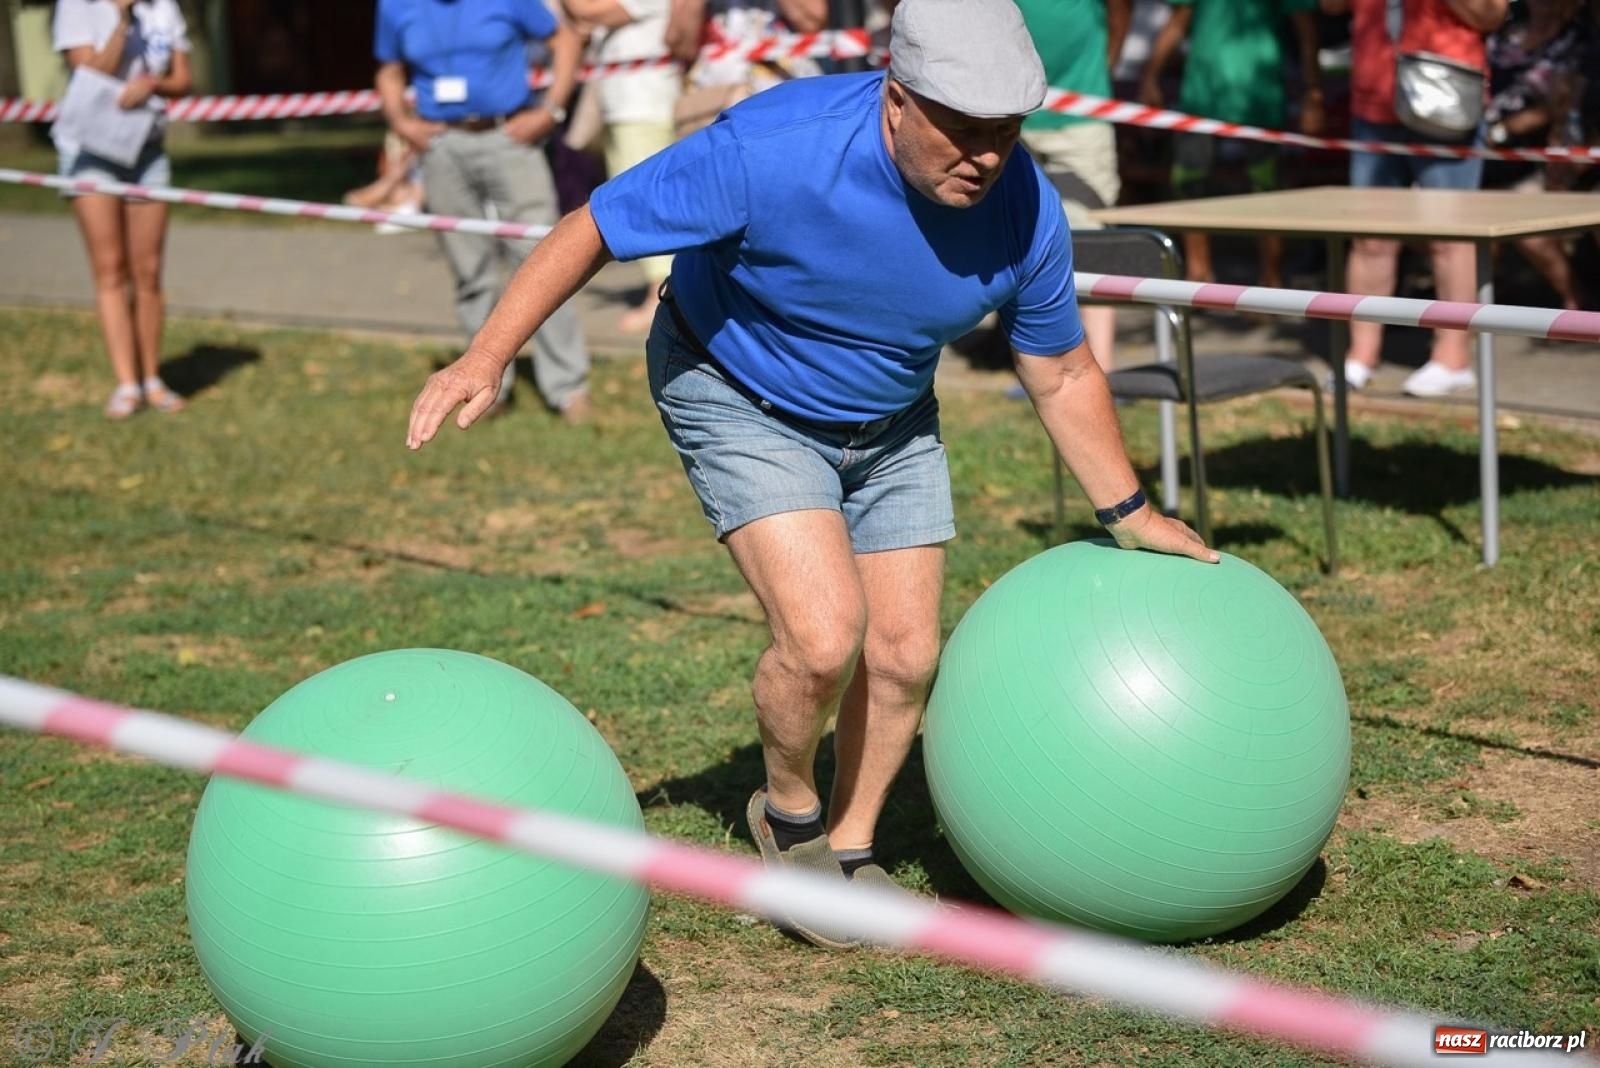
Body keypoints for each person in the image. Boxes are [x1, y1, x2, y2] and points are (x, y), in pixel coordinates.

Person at [406, 0, 1218, 947]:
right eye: (962, 128)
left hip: (892, 420)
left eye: (1005, 131)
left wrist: (1130, 511)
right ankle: (789, 817)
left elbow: (1064, 371)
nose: (986, 156)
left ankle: (852, 845)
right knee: (824, 638)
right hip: (734, 386)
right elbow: (596, 224)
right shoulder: (772, 147)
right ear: (897, 100)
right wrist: (486, 355)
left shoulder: (1025, 209)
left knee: (905, 656)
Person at [376, 0, 595, 424]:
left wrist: (551, 110)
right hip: (441, 144)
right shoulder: (395, 6)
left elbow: (565, 39)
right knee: (470, 270)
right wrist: (402, 123)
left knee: (547, 259)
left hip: (509, 137)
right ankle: (487, 389)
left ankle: (569, 388)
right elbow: (389, 70)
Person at [1323, 0, 1508, 397]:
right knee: (1370, 239)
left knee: (1450, 237)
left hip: (1445, 97)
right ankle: (1361, 356)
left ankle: (1453, 359)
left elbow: (1490, 15)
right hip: (1374, 100)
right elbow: (1331, 7)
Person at [52, 0, 193, 420]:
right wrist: (120, 21)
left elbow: (183, 79)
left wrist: (152, 84)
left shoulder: (164, 7)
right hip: (91, 150)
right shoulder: (76, 5)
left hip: (146, 149)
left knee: (148, 272)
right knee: (110, 270)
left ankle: (152, 379)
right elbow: (89, 74)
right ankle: (127, 384)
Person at [1139, 0, 1325, 289]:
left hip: (1260, 98)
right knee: (1189, 184)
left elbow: (1306, 31)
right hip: (1200, 98)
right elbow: (1178, 21)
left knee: (1267, 191)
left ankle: (1271, 280)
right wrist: (1150, 77)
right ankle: (1198, 276)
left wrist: (1313, 93)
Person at [1016, 0, 1131, 370]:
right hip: (1014, 118)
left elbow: (1121, 9)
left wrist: (1106, 68)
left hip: (1083, 119)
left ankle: (1102, 370)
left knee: (1091, 243)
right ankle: (1040, 365)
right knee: (1024, 248)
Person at [563, 0, 680, 333]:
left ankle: (662, 294)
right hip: (627, 105)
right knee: (641, 204)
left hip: (644, 107)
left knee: (649, 203)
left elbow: (587, 12)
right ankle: (661, 291)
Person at [1482, 0, 1591, 311]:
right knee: (1473, 236)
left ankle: (1577, 305)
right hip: (1487, 157)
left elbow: (1561, 104)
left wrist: (1505, 129)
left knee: (1531, 236)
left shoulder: (1575, 40)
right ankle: (1482, 309)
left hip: (1537, 160)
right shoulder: (1506, 34)